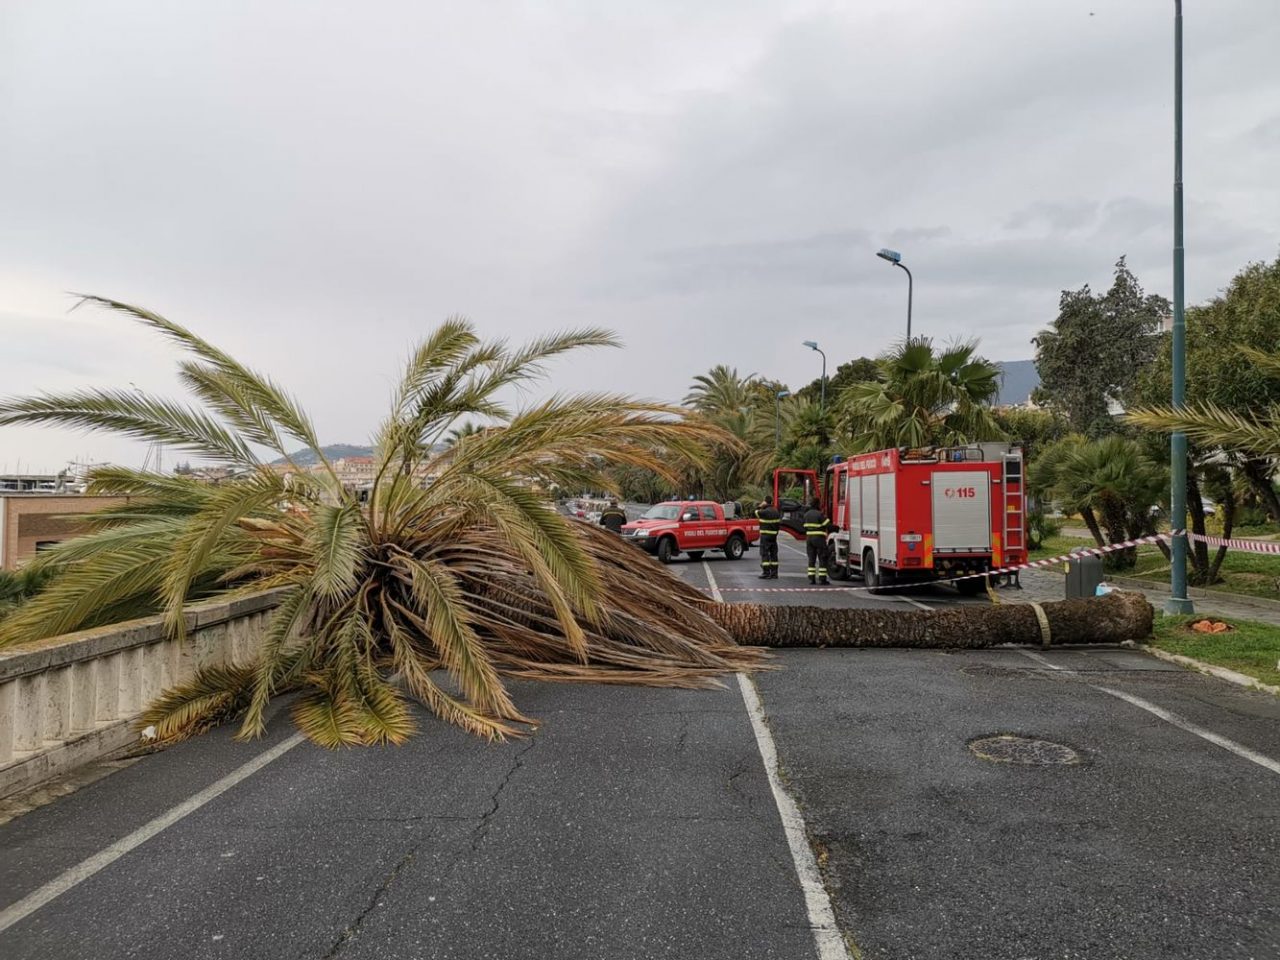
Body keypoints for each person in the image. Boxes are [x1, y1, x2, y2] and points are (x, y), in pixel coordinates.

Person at [801, 496, 830, 585]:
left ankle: (811, 579)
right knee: (822, 558)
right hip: (819, 538)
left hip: (809, 539)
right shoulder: (819, 514)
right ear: (817, 504)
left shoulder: (806, 515)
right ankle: (822, 579)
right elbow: (827, 524)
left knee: (811, 559)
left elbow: (804, 526)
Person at [754, 496, 781, 579]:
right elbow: (778, 525)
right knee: (774, 554)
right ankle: (774, 573)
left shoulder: (763, 512)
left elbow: (755, 512)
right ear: (772, 502)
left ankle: (766, 572)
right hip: (773, 537)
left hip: (765, 536)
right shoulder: (776, 512)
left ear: (765, 502)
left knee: (764, 554)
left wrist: (760, 506)